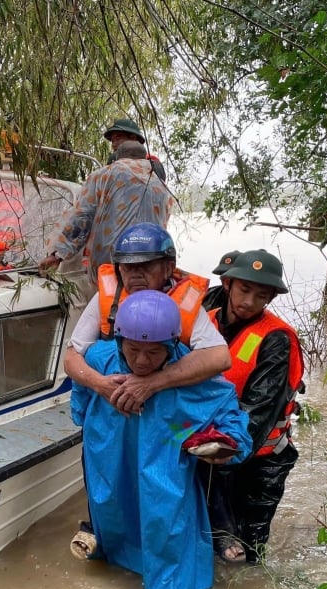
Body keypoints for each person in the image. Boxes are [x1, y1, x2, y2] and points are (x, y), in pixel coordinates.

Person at [70, 290, 252, 589]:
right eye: (132, 349)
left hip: (163, 480)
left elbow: (231, 422)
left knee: (166, 539)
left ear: (171, 346)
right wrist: (100, 390)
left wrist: (223, 445)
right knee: (114, 533)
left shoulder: (192, 377)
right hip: (112, 469)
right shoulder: (101, 362)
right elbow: (80, 405)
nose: (141, 361)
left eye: (153, 353)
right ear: (119, 342)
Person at [202, 249, 306, 564]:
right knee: (206, 537)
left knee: (248, 551)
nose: (248, 301)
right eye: (244, 290)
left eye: (260, 295)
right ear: (228, 284)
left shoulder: (276, 340)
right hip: (209, 452)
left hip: (258, 462)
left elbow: (257, 412)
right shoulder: (205, 320)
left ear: (270, 299)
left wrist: (223, 451)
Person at [63, 222, 229, 417]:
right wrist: (101, 385)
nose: (135, 275)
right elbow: (71, 358)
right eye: (128, 267)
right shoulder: (107, 297)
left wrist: (152, 382)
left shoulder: (184, 303)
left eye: (145, 266)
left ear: (169, 268)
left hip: (164, 415)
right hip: (111, 412)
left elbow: (220, 357)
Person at [38, 141, 171, 282]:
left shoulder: (104, 175)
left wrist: (57, 254)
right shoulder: (160, 184)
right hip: (152, 267)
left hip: (112, 267)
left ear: (117, 157)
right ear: (144, 157)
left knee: (109, 300)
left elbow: (82, 216)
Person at [103, 117, 168, 182]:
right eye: (112, 141)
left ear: (133, 138)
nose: (114, 144)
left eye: (118, 139)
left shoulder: (152, 163)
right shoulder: (112, 162)